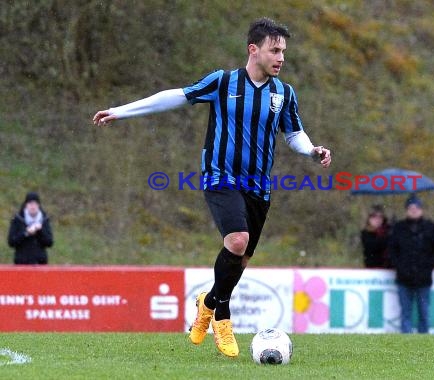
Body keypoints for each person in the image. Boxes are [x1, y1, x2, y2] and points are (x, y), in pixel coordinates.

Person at [92, 18, 331, 357]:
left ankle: (207, 302)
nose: (281, 58)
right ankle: (223, 316)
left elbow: (294, 133)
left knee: (241, 259)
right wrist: (122, 111)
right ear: (254, 50)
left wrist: (312, 150)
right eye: (274, 50)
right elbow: (176, 96)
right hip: (220, 177)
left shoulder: (283, 93)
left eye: (284, 52)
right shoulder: (223, 82)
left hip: (259, 186)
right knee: (237, 241)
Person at [388, 194, 434, 334]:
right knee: (405, 313)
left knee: (424, 313)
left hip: (423, 278)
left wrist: (429, 266)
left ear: (421, 210)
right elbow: (392, 250)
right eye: (411, 208)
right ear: (406, 210)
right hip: (403, 278)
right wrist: (400, 267)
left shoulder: (430, 227)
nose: (413, 210)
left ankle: (423, 342)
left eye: (416, 208)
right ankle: (406, 344)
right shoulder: (398, 227)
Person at [8, 192, 54, 265]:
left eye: (35, 204)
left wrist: (40, 231)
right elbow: (11, 242)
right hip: (21, 263)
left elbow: (49, 242)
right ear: (26, 205)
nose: (33, 207)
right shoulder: (17, 219)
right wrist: (26, 233)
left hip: (40, 263)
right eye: (30, 204)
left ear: (38, 205)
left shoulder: (44, 219)